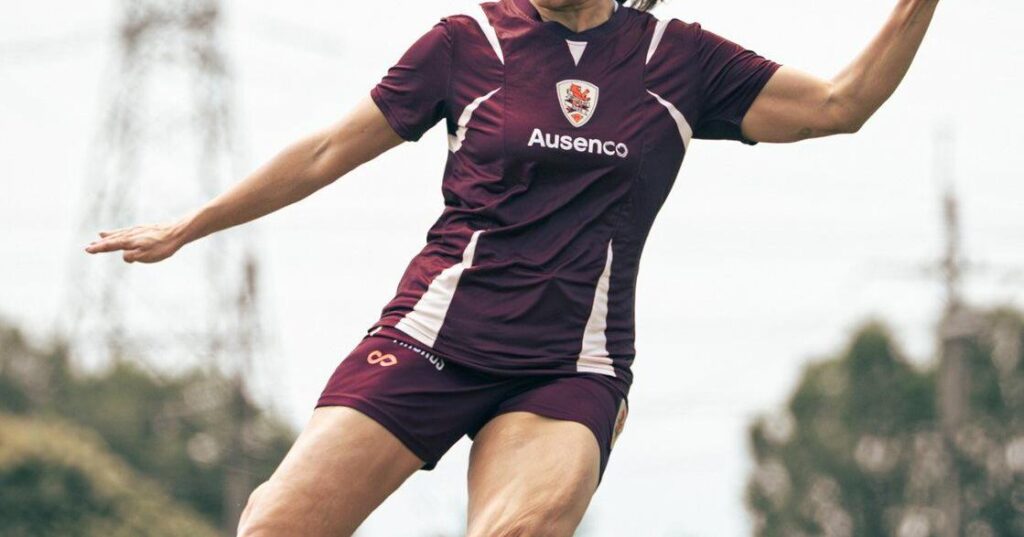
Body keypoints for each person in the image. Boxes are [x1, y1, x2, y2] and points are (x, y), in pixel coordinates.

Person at [84, 0, 941, 534]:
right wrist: (192, 225)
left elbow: (842, 102)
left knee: (519, 531)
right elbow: (322, 153)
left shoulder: (677, 60)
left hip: (567, 370)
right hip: (428, 345)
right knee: (273, 524)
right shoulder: (467, 43)